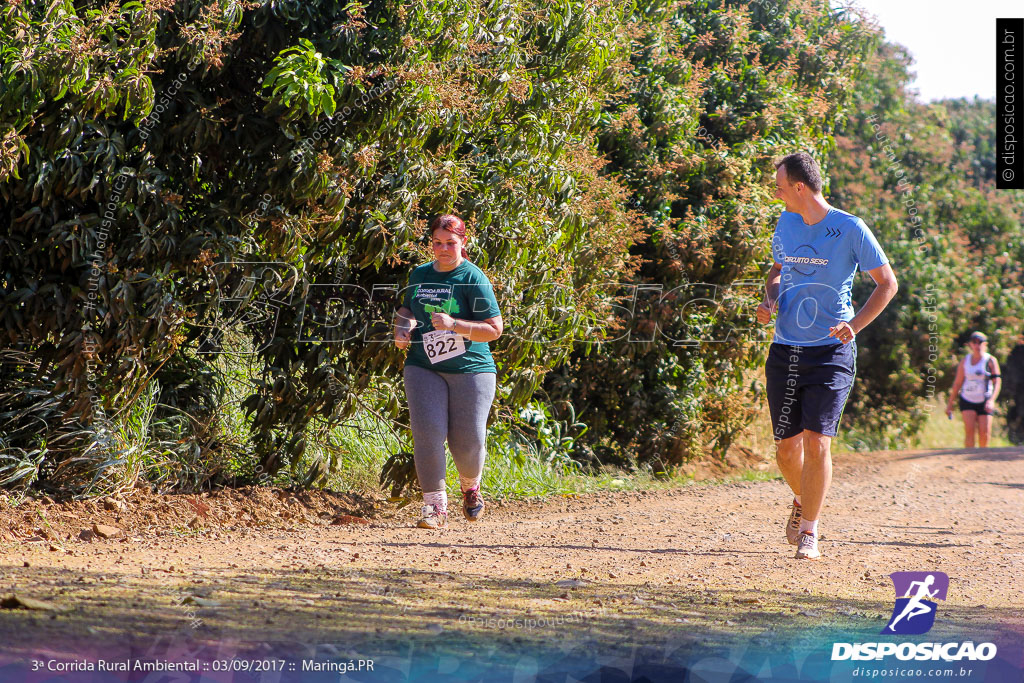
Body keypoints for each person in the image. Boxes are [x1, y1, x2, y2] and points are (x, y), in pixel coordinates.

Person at [756, 152, 898, 560]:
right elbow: (777, 271)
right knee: (786, 450)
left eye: (780, 187)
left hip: (832, 352)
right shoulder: (786, 223)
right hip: (786, 350)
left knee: (818, 443)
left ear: (799, 187)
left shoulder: (851, 228)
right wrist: (770, 299)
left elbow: (886, 283)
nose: (777, 194)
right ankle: (805, 498)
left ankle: (809, 532)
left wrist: (854, 325)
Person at [393, 214, 503, 529]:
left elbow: (494, 329)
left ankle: (470, 487)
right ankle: (435, 508)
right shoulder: (420, 274)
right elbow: (408, 309)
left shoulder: (473, 278)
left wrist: (455, 325)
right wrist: (402, 328)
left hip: (471, 368)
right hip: (423, 365)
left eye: (450, 243)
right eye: (438, 243)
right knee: (427, 433)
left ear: (463, 243)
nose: (443, 249)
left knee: (466, 441)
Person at [946, 331, 1001, 448]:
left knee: (984, 434)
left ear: (985, 344)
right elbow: (957, 383)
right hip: (967, 399)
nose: (977, 345)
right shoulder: (965, 361)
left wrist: (991, 400)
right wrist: (950, 403)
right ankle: (968, 462)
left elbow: (997, 382)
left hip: (984, 401)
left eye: (980, 342)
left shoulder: (990, 360)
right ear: (970, 345)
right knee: (969, 432)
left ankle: (981, 460)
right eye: (974, 342)